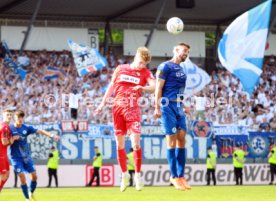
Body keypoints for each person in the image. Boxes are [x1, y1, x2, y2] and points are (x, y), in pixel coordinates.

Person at [95, 47, 155, 192]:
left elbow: (154, 86)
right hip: (117, 109)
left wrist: (143, 87)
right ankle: (124, 175)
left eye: (144, 64)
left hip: (133, 109)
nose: (142, 66)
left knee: (135, 143)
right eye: (140, 62)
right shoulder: (120, 68)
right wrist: (103, 103)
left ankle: (138, 176)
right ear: (136, 57)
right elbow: (111, 86)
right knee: (119, 145)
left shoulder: (145, 73)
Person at [154, 43, 191, 191]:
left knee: (182, 138)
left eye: (187, 52)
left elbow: (180, 89)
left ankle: (181, 176)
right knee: (172, 140)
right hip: (167, 105)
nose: (186, 54)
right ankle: (174, 176)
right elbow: (158, 87)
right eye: (184, 51)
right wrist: (157, 106)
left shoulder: (182, 69)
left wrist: (184, 104)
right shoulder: (165, 67)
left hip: (178, 106)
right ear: (176, 50)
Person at [9, 110, 60, 201]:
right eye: (18, 118)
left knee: (34, 176)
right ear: (14, 119)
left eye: (21, 118)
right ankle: (27, 199)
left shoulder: (26, 128)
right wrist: (12, 139)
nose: (20, 120)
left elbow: (39, 131)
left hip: (26, 156)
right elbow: (5, 140)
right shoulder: (10, 128)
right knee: (22, 177)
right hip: (15, 157)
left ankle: (30, 193)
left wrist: (51, 135)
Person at [0, 109, 18, 192]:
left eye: (11, 115)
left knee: (6, 174)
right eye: (7, 115)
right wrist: (12, 139)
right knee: (4, 175)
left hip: (4, 154)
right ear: (3, 115)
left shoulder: (5, 126)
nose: (9, 117)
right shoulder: (5, 127)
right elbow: (4, 142)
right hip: (1, 154)